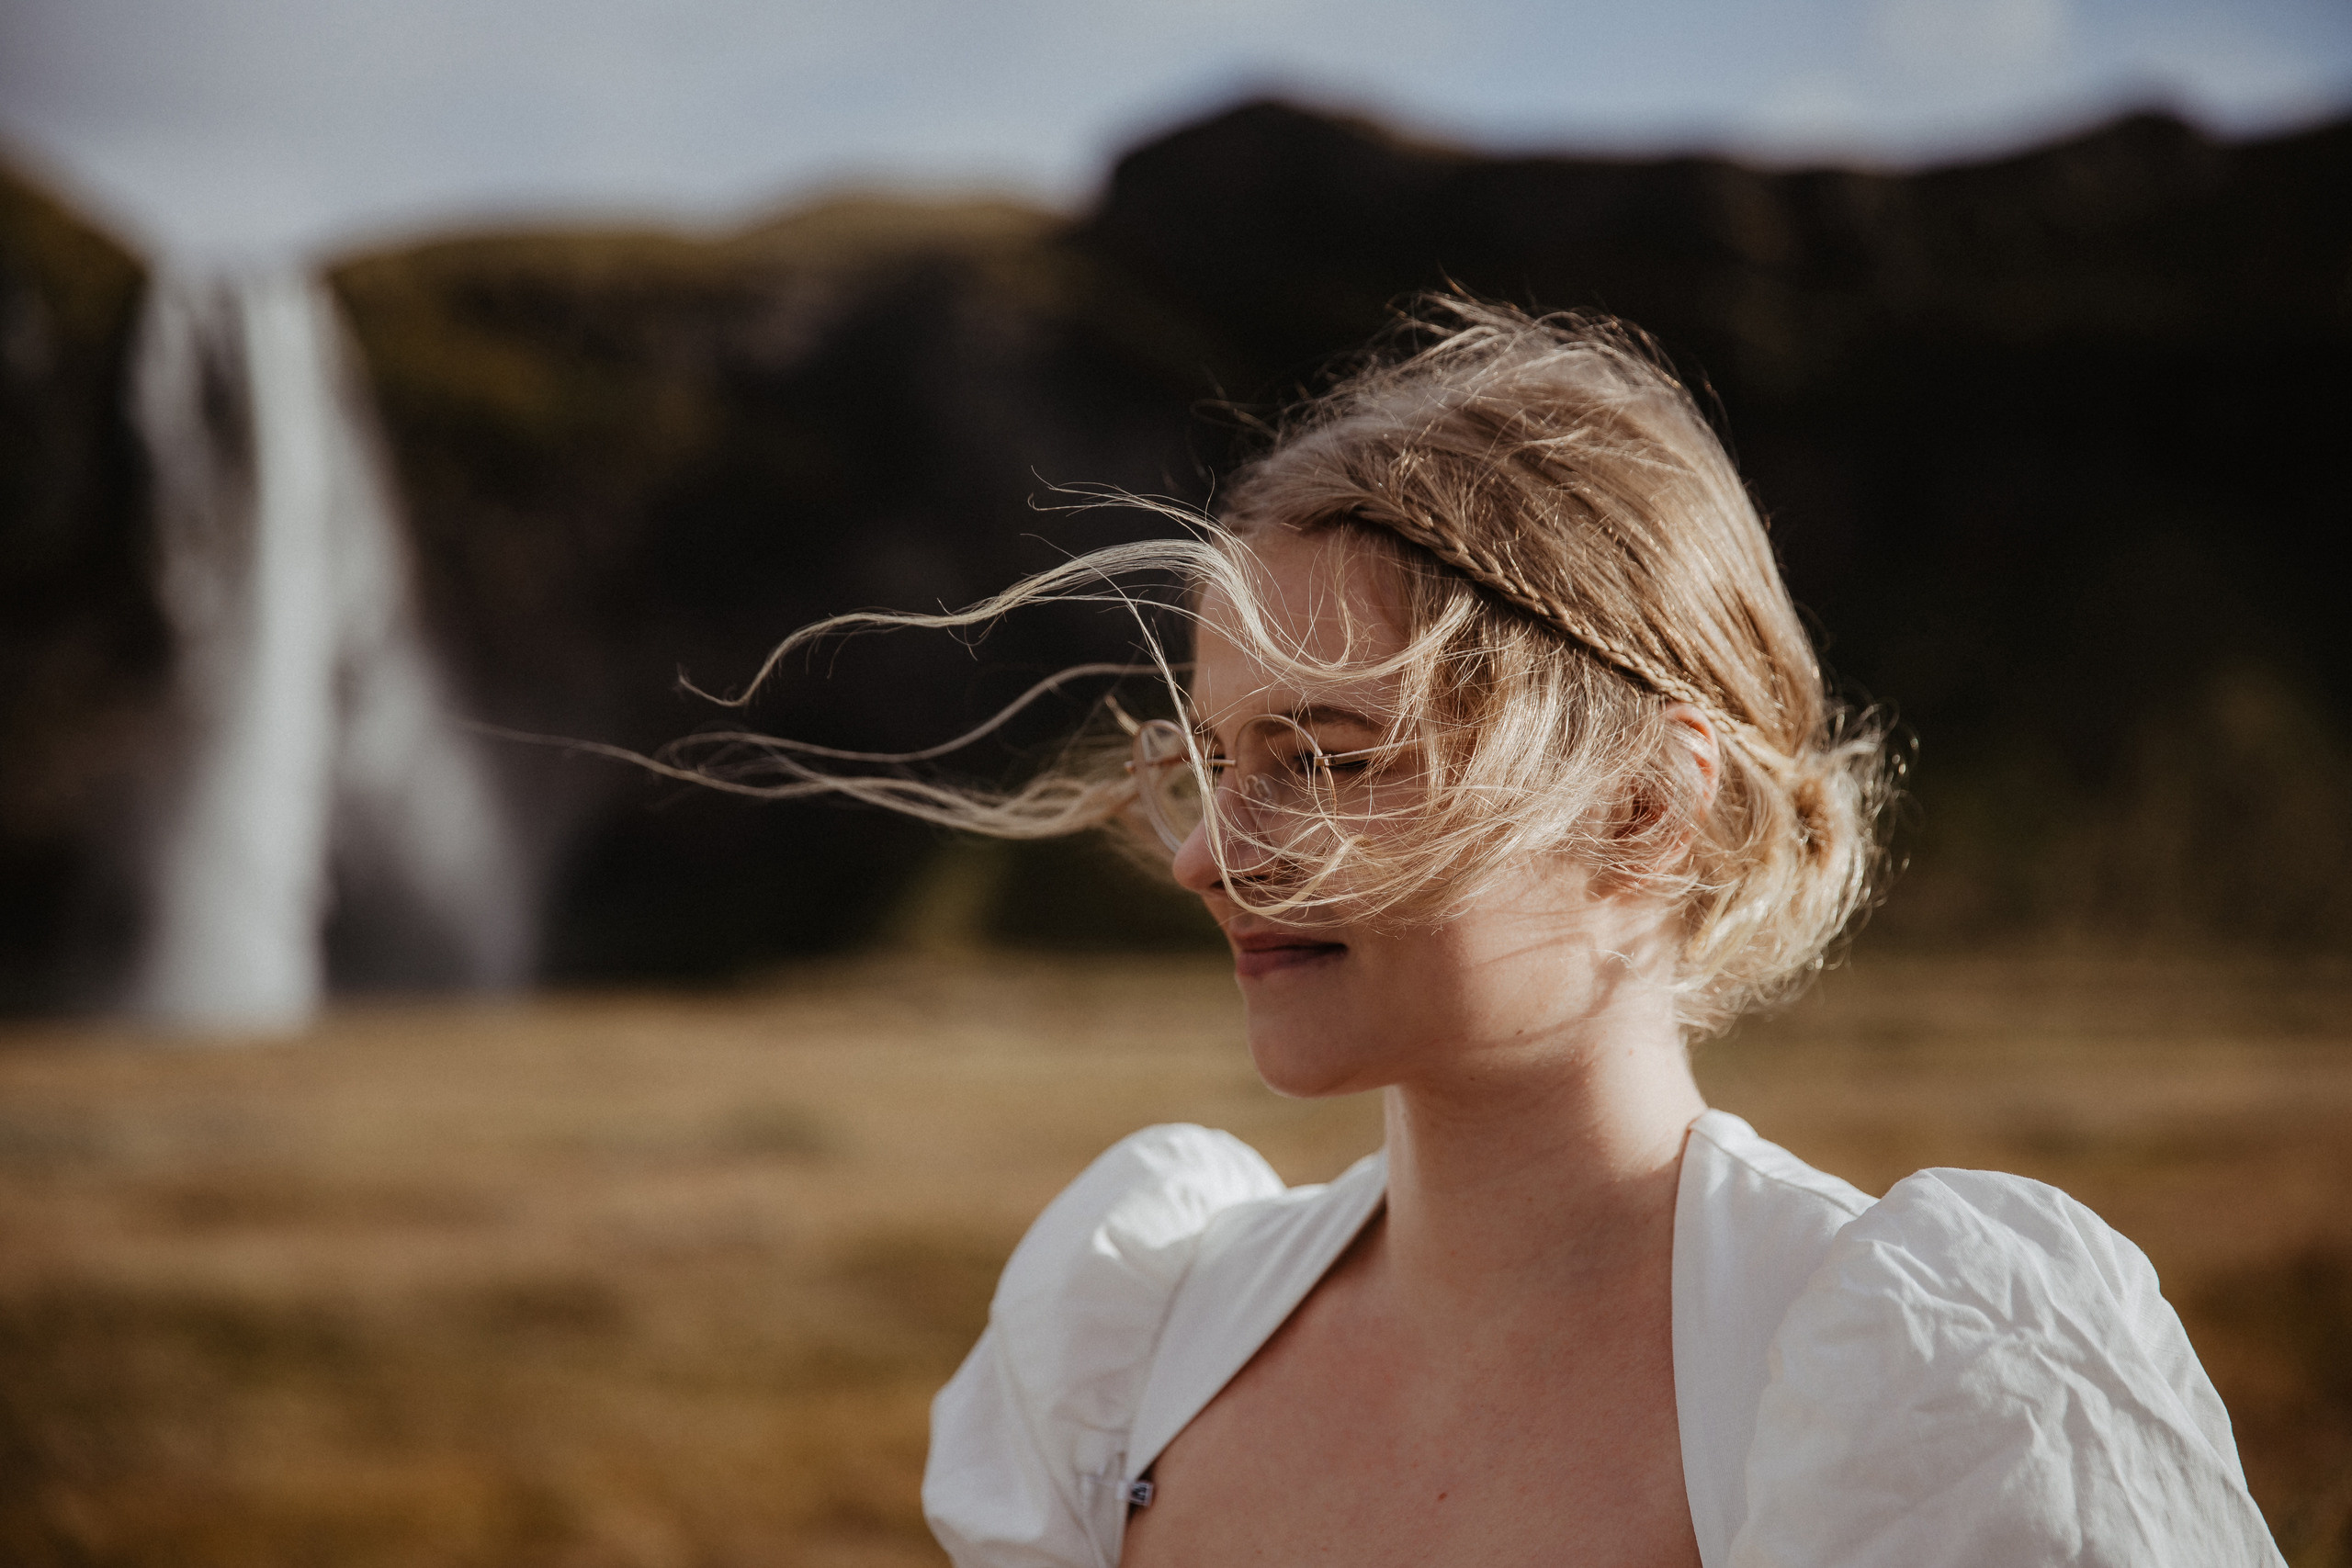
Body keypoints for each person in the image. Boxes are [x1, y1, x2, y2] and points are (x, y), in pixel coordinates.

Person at [721, 299, 2281, 1565]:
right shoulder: (1136, 1341)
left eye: (1325, 758)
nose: (1206, 856)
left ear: (1644, 808)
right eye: (1214, 759)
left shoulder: (1938, 1393)